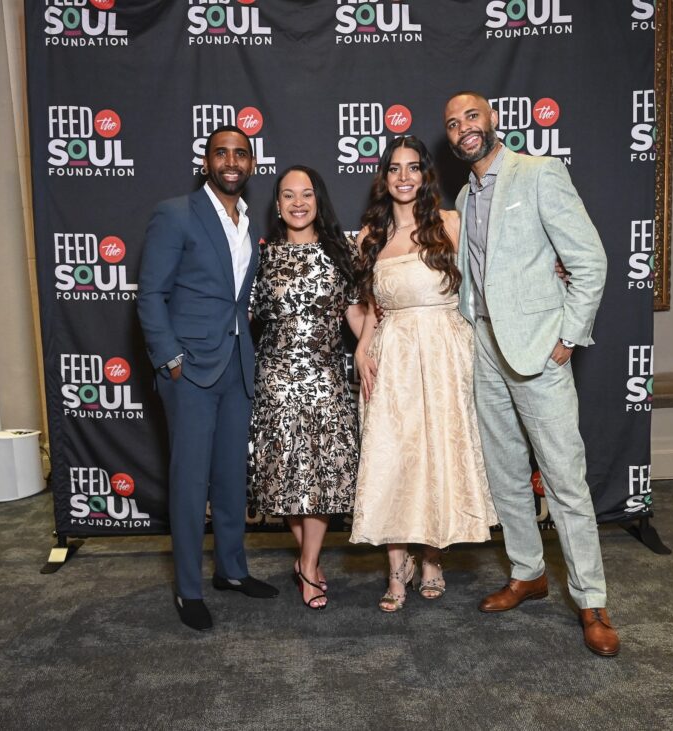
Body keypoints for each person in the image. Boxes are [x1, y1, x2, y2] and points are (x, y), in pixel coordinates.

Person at [443, 91, 620, 656]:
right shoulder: (465, 195)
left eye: (472, 117)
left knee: (564, 479)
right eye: (453, 124)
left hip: (539, 350)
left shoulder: (540, 174)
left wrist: (567, 338)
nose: (464, 128)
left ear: (493, 120)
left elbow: (590, 260)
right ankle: (528, 572)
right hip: (487, 347)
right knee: (505, 475)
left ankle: (592, 601)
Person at [137, 125, 278, 632]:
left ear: (253, 164)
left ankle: (232, 572)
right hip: (190, 369)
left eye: (241, 153)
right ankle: (188, 589)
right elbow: (150, 294)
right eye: (222, 153)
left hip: (237, 365)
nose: (232, 161)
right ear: (207, 162)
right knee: (191, 480)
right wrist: (169, 358)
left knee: (229, 479)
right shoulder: (176, 213)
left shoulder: (248, 220)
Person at [351, 135, 497, 612]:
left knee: (438, 453)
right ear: (384, 177)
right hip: (392, 356)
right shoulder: (369, 238)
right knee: (393, 458)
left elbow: (492, 273)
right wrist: (362, 347)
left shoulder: (450, 224)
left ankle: (433, 557)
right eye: (395, 168)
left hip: (445, 351)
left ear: (426, 175)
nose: (404, 177)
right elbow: (371, 307)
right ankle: (397, 569)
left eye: (413, 168)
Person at [248, 165, 365, 610]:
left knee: (320, 478)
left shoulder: (342, 252)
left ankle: (310, 565)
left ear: (319, 201)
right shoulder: (264, 258)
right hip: (275, 380)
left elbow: (358, 315)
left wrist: (367, 346)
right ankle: (306, 560)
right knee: (286, 478)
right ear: (277, 204)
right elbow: (246, 316)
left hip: (325, 379)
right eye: (288, 195)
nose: (298, 203)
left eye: (307, 195)